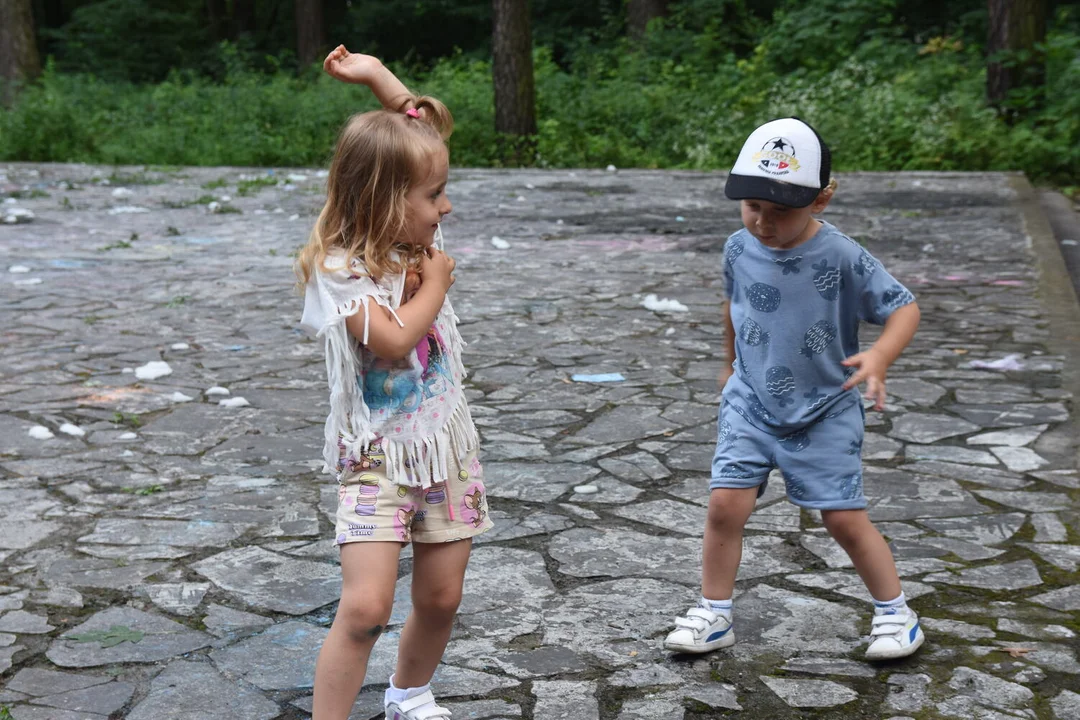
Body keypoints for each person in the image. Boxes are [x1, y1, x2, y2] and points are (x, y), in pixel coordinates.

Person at [664, 117, 924, 661]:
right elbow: (733, 305)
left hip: (825, 406)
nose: (763, 222)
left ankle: (897, 614)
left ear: (822, 200)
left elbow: (903, 307)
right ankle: (714, 613)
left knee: (844, 519)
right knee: (723, 508)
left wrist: (879, 354)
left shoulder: (843, 256)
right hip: (751, 402)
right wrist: (730, 362)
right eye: (753, 206)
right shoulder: (737, 247)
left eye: (780, 211)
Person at [296, 45, 493, 720]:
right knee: (364, 608)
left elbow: (418, 132)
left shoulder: (407, 239)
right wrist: (433, 286)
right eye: (433, 196)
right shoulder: (339, 269)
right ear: (384, 199)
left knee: (441, 598)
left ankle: (408, 694)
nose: (446, 207)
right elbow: (394, 338)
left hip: (446, 448)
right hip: (377, 457)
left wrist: (378, 76)